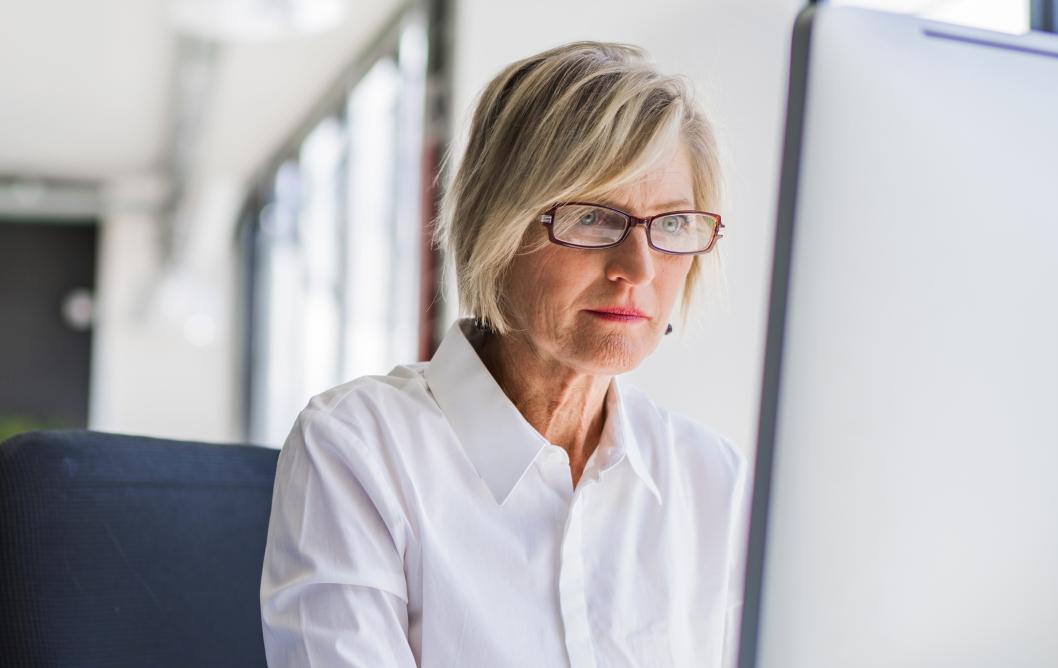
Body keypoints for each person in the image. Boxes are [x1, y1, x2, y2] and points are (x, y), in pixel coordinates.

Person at [260, 40, 749, 667]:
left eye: (674, 223)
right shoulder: (360, 449)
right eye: (594, 218)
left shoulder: (711, 479)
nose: (639, 268)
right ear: (498, 225)